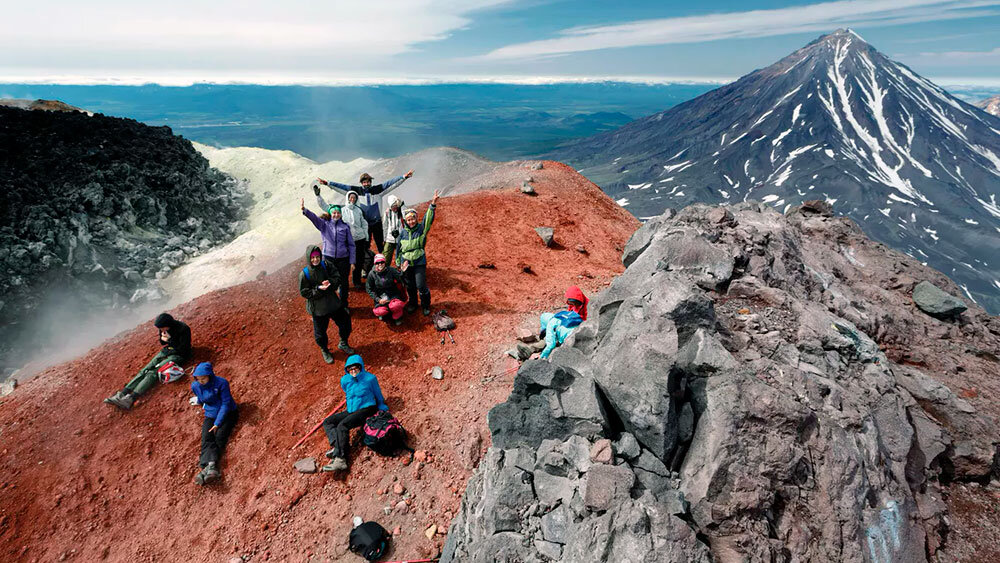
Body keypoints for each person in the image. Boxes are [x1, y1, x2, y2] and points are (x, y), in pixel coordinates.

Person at [104, 312, 191, 410]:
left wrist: (169, 340)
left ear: (168, 324)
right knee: (145, 369)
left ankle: (131, 399)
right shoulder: (163, 328)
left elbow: (183, 349)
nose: (161, 330)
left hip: (179, 355)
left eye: (162, 328)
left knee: (153, 372)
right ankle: (122, 393)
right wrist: (164, 339)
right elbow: (162, 342)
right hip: (167, 350)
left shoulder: (183, 329)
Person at [317, 170, 413, 254]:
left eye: (368, 182)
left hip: (377, 222)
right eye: (364, 182)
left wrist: (403, 177)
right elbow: (342, 187)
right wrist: (328, 183)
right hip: (364, 223)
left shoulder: (378, 190)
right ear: (361, 183)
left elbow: (390, 184)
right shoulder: (356, 192)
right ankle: (366, 266)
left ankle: (383, 263)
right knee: (365, 245)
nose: (366, 184)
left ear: (370, 182)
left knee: (380, 243)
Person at [322, 354, 388, 472]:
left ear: (360, 367)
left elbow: (377, 393)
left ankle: (340, 459)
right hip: (352, 410)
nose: (353, 371)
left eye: (355, 368)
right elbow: (347, 393)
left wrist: (381, 406)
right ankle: (338, 445)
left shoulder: (370, 379)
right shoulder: (345, 380)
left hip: (367, 408)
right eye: (350, 369)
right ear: (347, 369)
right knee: (328, 421)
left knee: (343, 425)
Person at [299, 244, 355, 364]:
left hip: (333, 303)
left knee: (345, 322)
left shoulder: (327, 265)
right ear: (309, 258)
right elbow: (304, 292)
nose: (315, 260)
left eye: (317, 257)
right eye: (313, 258)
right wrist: (318, 289)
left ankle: (343, 342)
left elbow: (337, 277)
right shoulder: (305, 274)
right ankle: (324, 349)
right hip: (318, 309)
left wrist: (331, 283)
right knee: (320, 334)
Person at [188, 362, 238, 486]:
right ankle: (211, 466)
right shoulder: (195, 386)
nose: (201, 381)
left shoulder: (221, 383)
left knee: (219, 436)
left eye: (203, 378)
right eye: (198, 379)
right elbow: (201, 398)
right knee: (206, 438)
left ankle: (207, 468)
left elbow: (225, 404)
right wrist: (198, 401)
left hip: (227, 412)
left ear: (210, 375)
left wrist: (217, 423)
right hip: (210, 413)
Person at [302, 197, 354, 304]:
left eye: (338, 213)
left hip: (343, 259)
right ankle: (331, 303)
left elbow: (351, 245)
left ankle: (344, 304)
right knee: (328, 281)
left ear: (340, 214)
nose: (336, 215)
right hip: (328, 259)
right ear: (330, 214)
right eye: (334, 213)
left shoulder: (345, 227)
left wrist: (352, 261)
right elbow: (314, 218)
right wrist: (305, 210)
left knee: (344, 282)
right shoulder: (324, 225)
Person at [396, 190, 440, 316]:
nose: (411, 221)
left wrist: (433, 204)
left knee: (421, 285)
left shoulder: (421, 229)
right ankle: (413, 304)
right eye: (409, 220)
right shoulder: (403, 233)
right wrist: (399, 263)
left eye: (413, 219)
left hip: (419, 260)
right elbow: (398, 250)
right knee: (410, 286)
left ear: (416, 218)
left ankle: (426, 305)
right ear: (406, 221)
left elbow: (428, 219)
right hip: (406, 263)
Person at [539, 286, 589, 359]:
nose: (572, 305)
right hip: (567, 323)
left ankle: (543, 342)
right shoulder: (572, 306)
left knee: (553, 337)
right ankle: (545, 339)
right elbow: (569, 313)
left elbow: (587, 321)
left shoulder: (588, 306)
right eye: (570, 303)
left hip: (574, 327)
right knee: (545, 318)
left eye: (573, 303)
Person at [365, 254, 406, 325]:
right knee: (380, 311)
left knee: (396, 305)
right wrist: (378, 299)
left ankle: (397, 316)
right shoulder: (372, 274)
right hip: (380, 298)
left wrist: (403, 272)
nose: (380, 264)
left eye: (382, 262)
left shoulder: (391, 270)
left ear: (385, 262)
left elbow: (400, 279)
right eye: (377, 263)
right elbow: (369, 289)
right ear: (375, 264)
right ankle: (385, 313)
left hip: (393, 295)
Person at [341, 191, 370, 287]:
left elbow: (364, 224)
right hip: (348, 240)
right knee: (346, 261)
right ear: (347, 198)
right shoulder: (342, 210)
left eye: (354, 197)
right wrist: (318, 196)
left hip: (360, 239)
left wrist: (366, 237)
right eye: (351, 197)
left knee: (359, 260)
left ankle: (356, 281)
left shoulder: (359, 210)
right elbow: (327, 208)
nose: (352, 199)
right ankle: (343, 283)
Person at [382, 194, 405, 266]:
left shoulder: (402, 211)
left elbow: (405, 216)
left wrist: (402, 205)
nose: (394, 208)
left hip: (400, 238)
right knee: (386, 256)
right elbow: (385, 226)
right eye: (392, 206)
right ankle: (385, 272)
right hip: (390, 238)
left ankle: (401, 271)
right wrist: (385, 239)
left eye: (396, 206)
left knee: (401, 256)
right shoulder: (387, 212)